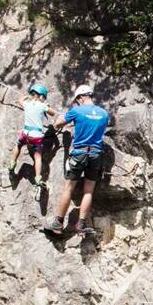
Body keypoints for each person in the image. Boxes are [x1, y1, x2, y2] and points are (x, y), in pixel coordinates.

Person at [46, 87, 113, 238]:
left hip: (80, 153)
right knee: (88, 191)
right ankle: (81, 224)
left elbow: (58, 123)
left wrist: (61, 117)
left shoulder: (77, 111)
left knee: (68, 189)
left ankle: (58, 223)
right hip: (95, 154)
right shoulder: (104, 114)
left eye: (77, 100)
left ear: (80, 98)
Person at [11, 83, 52, 180]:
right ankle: (37, 177)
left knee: (18, 145)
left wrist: (26, 97)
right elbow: (53, 113)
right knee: (37, 156)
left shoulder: (27, 104)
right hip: (36, 136)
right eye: (44, 97)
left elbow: (20, 100)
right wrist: (47, 106)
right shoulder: (42, 106)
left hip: (25, 133)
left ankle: (12, 162)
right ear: (41, 96)